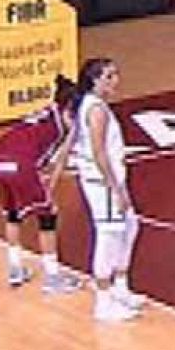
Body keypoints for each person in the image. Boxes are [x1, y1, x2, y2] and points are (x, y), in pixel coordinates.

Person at [0, 76, 83, 295]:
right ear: (69, 110)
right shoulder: (61, 128)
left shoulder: (46, 112)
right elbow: (60, 160)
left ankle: (15, 268)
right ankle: (52, 277)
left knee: (13, 214)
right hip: (20, 165)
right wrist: (50, 189)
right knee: (48, 216)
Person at [73, 58, 142, 323]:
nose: (115, 80)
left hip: (106, 179)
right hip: (103, 183)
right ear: (95, 80)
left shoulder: (93, 106)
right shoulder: (96, 110)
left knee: (131, 226)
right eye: (109, 76)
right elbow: (99, 152)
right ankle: (103, 302)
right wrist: (116, 188)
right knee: (109, 236)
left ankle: (120, 287)